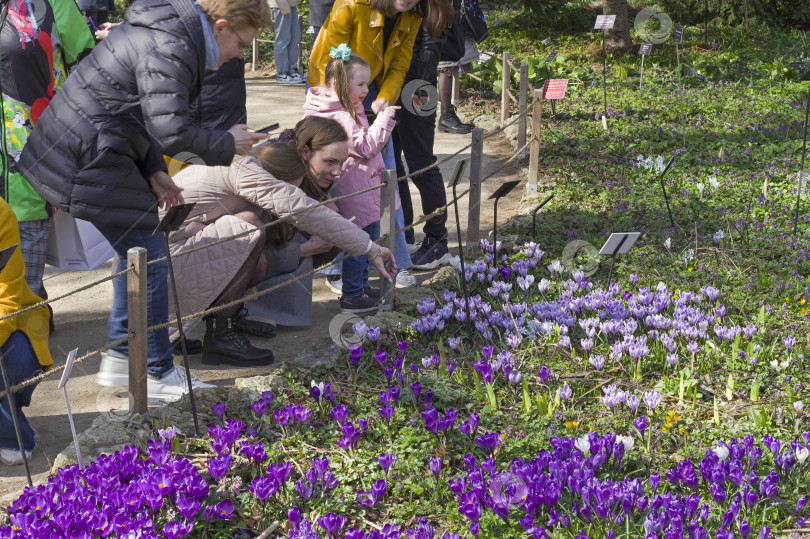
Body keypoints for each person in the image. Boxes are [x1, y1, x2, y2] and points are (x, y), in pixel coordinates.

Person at [19, 0, 273, 403]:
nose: (241, 54)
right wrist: (227, 142)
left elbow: (134, 111)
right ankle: (154, 369)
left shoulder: (167, 31)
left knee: (139, 250)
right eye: (242, 44)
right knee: (150, 254)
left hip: (96, 148)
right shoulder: (175, 44)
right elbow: (168, 127)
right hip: (85, 154)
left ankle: (124, 355)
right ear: (221, 27)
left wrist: (155, 170)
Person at [164, 120, 395, 365]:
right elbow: (304, 211)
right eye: (330, 162)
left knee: (250, 231)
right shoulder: (250, 175)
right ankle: (222, 335)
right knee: (248, 225)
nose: (337, 172)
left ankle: (189, 329)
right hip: (165, 264)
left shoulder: (247, 165)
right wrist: (370, 248)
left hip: (174, 255)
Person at [307, 0, 454, 289]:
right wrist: (346, 105)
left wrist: (385, 96)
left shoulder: (412, 15)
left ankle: (396, 258)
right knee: (337, 182)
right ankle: (337, 267)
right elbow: (325, 62)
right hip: (334, 91)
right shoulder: (351, 5)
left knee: (385, 175)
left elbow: (400, 64)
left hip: (372, 90)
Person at [0, 0, 94, 329]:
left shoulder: (50, 4)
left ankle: (31, 323)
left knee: (21, 297)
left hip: (28, 168)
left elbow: (90, 70)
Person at [304, 48, 399, 313]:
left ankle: (357, 285)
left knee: (361, 240)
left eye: (367, 83)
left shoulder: (334, 106)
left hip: (353, 185)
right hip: (356, 189)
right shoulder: (342, 116)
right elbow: (367, 146)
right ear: (339, 85)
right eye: (361, 84)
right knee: (361, 241)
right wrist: (384, 119)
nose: (367, 89)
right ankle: (353, 295)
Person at [393, 21, 452, 269]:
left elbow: (433, 39)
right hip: (393, 80)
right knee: (393, 165)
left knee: (421, 164)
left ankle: (437, 241)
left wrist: (422, 83)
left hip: (417, 84)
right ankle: (405, 236)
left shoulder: (430, 7)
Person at [0, 198, 51, 465]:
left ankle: (11, 435)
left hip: (11, 320)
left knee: (16, 358)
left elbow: (7, 299)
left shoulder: (0, 212)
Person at [436, 0, 487, 134]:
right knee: (446, 66)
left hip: (457, 15)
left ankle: (448, 115)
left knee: (451, 65)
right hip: (445, 18)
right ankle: (445, 116)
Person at [269, 0, 306, 84]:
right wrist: (284, 6)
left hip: (291, 5)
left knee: (294, 38)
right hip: (281, 5)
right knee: (282, 39)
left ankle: (292, 71)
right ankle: (282, 74)